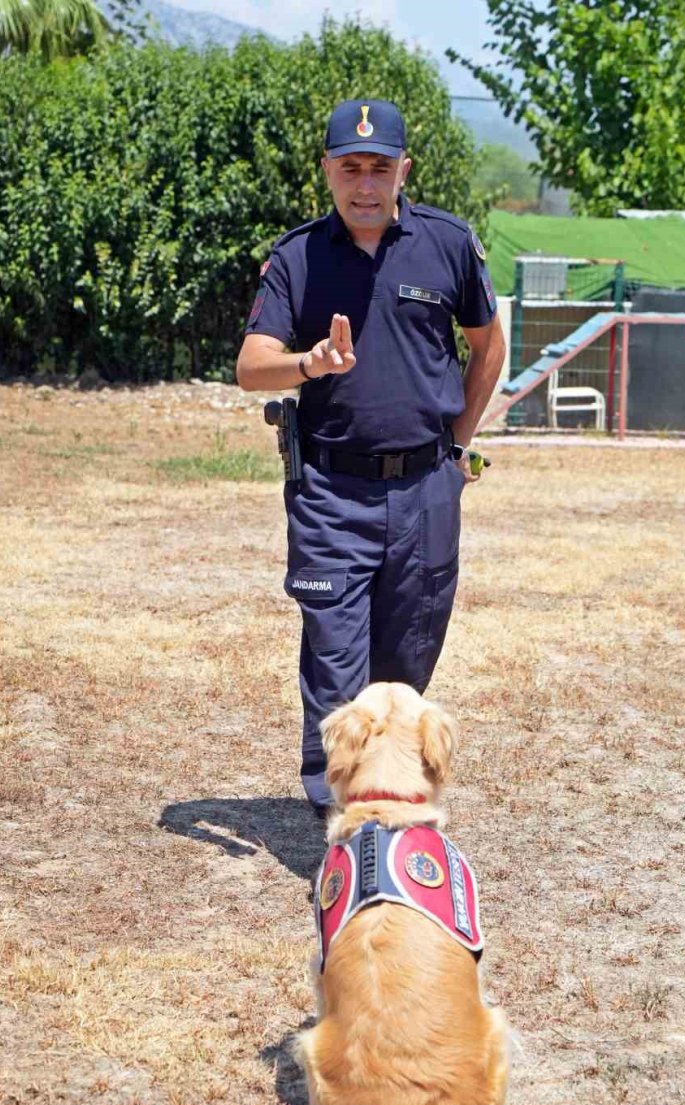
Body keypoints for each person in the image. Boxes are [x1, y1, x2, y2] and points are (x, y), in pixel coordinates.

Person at [236, 98, 506, 816]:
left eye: (379, 168)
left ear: (402, 171)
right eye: (350, 167)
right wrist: (310, 363)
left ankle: (392, 799)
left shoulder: (448, 243)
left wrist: (458, 448)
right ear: (327, 170)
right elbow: (252, 366)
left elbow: (489, 346)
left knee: (404, 669)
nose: (364, 184)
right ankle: (345, 819)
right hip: (331, 493)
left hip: (425, 492)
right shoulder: (297, 257)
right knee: (336, 666)